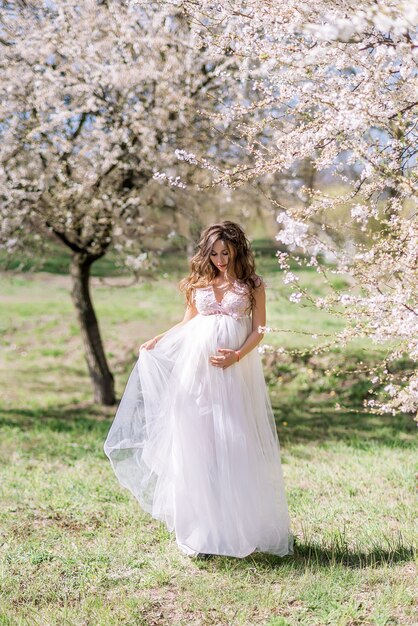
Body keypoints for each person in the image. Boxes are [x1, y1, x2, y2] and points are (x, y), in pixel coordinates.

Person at [103, 221, 293, 558]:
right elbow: (187, 321)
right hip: (196, 374)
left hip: (233, 374)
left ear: (237, 250)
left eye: (226, 252)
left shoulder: (252, 285)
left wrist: (237, 355)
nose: (220, 259)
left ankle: (238, 529)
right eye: (214, 253)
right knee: (197, 444)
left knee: (232, 442)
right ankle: (202, 531)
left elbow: (259, 329)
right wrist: (158, 339)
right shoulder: (199, 284)